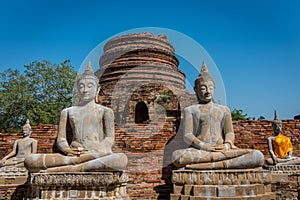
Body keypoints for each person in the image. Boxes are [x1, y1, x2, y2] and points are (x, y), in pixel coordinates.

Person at [24, 62, 127, 173]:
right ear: (77, 89)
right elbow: (61, 138)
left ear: (97, 89)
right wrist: (67, 150)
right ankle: (78, 164)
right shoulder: (67, 111)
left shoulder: (105, 111)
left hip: (97, 154)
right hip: (74, 155)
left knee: (121, 159)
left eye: (90, 86)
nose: (85, 90)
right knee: (30, 160)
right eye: (81, 86)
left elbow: (109, 139)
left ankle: (73, 168)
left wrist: (96, 150)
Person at [172, 62, 264, 169]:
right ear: (195, 89)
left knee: (257, 156)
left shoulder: (224, 110)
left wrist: (227, 145)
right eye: (203, 88)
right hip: (201, 151)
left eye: (210, 88)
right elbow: (187, 136)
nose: (207, 91)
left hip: (222, 150)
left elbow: (229, 133)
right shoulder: (190, 110)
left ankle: (208, 165)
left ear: (214, 88)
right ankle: (222, 164)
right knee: (177, 156)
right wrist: (203, 145)